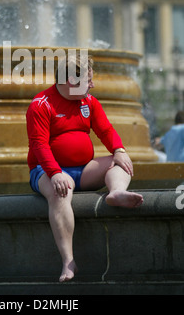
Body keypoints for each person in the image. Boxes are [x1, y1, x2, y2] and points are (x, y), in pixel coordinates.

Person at [26, 54, 144, 283]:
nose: (92, 84)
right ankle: (68, 261)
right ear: (70, 81)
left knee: (118, 162)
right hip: (45, 170)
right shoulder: (40, 105)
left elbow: (106, 131)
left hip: (83, 169)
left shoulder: (89, 101)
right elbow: (38, 145)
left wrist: (119, 149)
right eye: (87, 80)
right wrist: (55, 172)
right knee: (61, 192)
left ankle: (116, 192)